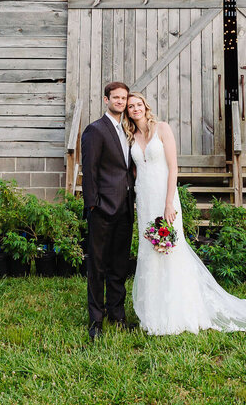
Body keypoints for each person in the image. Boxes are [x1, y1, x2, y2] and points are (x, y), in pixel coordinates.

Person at [125, 92, 246, 336]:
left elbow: (173, 167)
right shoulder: (131, 136)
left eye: (138, 104)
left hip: (165, 198)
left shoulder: (162, 129)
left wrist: (168, 203)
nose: (135, 109)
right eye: (131, 106)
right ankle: (154, 312)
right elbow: (136, 170)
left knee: (172, 250)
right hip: (144, 199)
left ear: (146, 106)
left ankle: (179, 310)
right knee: (150, 252)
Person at [80, 81, 135, 341]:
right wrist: (93, 206)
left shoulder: (127, 129)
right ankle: (96, 320)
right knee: (98, 267)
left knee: (119, 266)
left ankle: (117, 314)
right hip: (102, 209)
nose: (120, 102)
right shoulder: (95, 130)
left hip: (125, 208)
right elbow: (89, 172)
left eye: (124, 98)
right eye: (116, 98)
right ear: (106, 100)